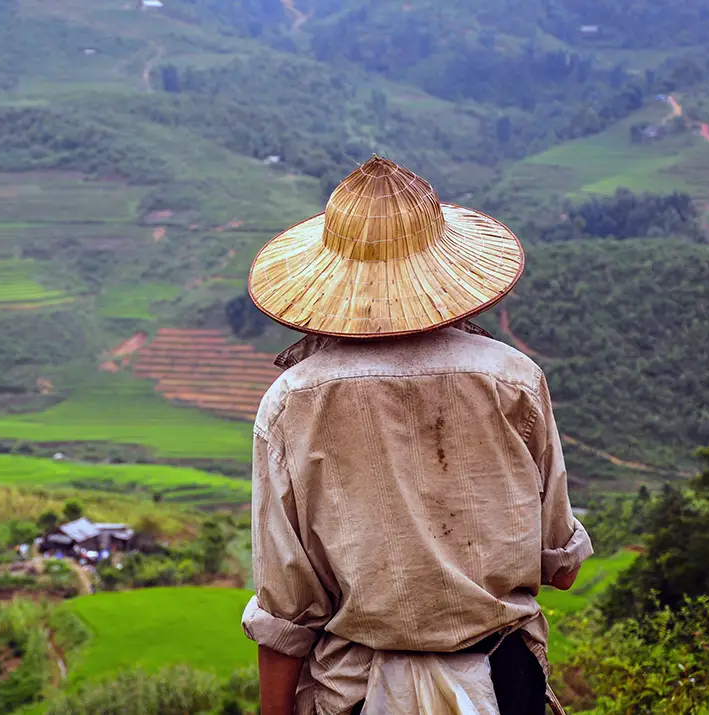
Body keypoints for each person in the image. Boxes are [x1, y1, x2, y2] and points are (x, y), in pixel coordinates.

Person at [241, 156, 593, 715]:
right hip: (502, 683)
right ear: (443, 269)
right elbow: (564, 567)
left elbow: (288, 608)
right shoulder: (512, 378)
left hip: (357, 692)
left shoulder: (292, 400)